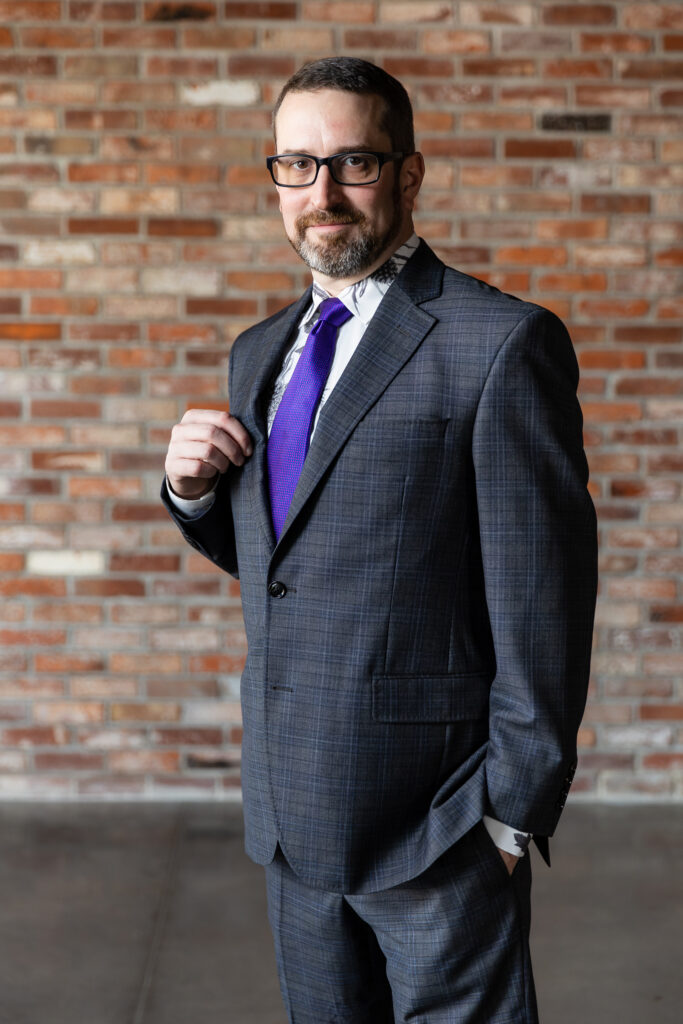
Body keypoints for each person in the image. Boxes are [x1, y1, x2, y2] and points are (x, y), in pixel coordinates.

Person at [162, 57, 598, 1024]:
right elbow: (297, 568)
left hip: (436, 827)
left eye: (353, 163)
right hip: (291, 822)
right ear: (275, 178)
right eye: (297, 164)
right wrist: (192, 494)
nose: (323, 193)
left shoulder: (498, 344)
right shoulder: (258, 353)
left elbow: (543, 599)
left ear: (406, 175)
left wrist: (507, 816)